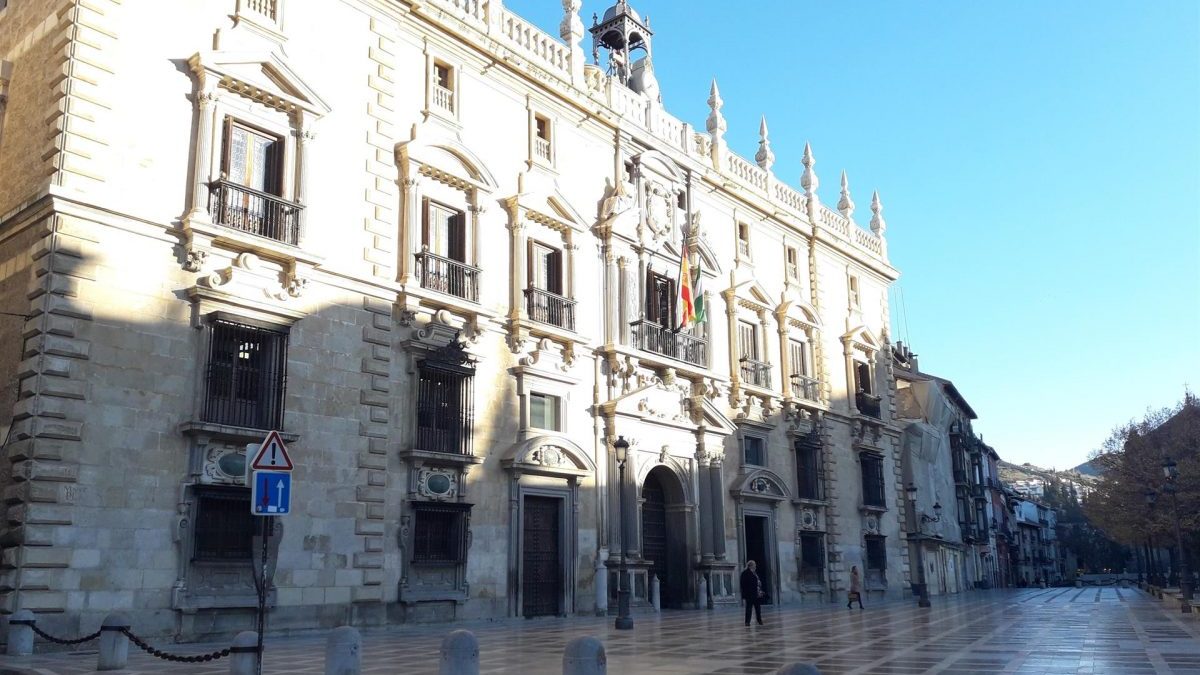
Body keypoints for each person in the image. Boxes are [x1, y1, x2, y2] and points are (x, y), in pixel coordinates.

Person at [740, 560, 765, 626]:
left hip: (756, 594)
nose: (755, 566)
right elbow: (743, 584)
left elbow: (758, 582)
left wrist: (760, 590)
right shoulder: (745, 573)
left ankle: (759, 620)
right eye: (754, 565)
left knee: (758, 608)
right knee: (749, 608)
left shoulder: (755, 573)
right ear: (751, 565)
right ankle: (747, 622)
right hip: (749, 594)